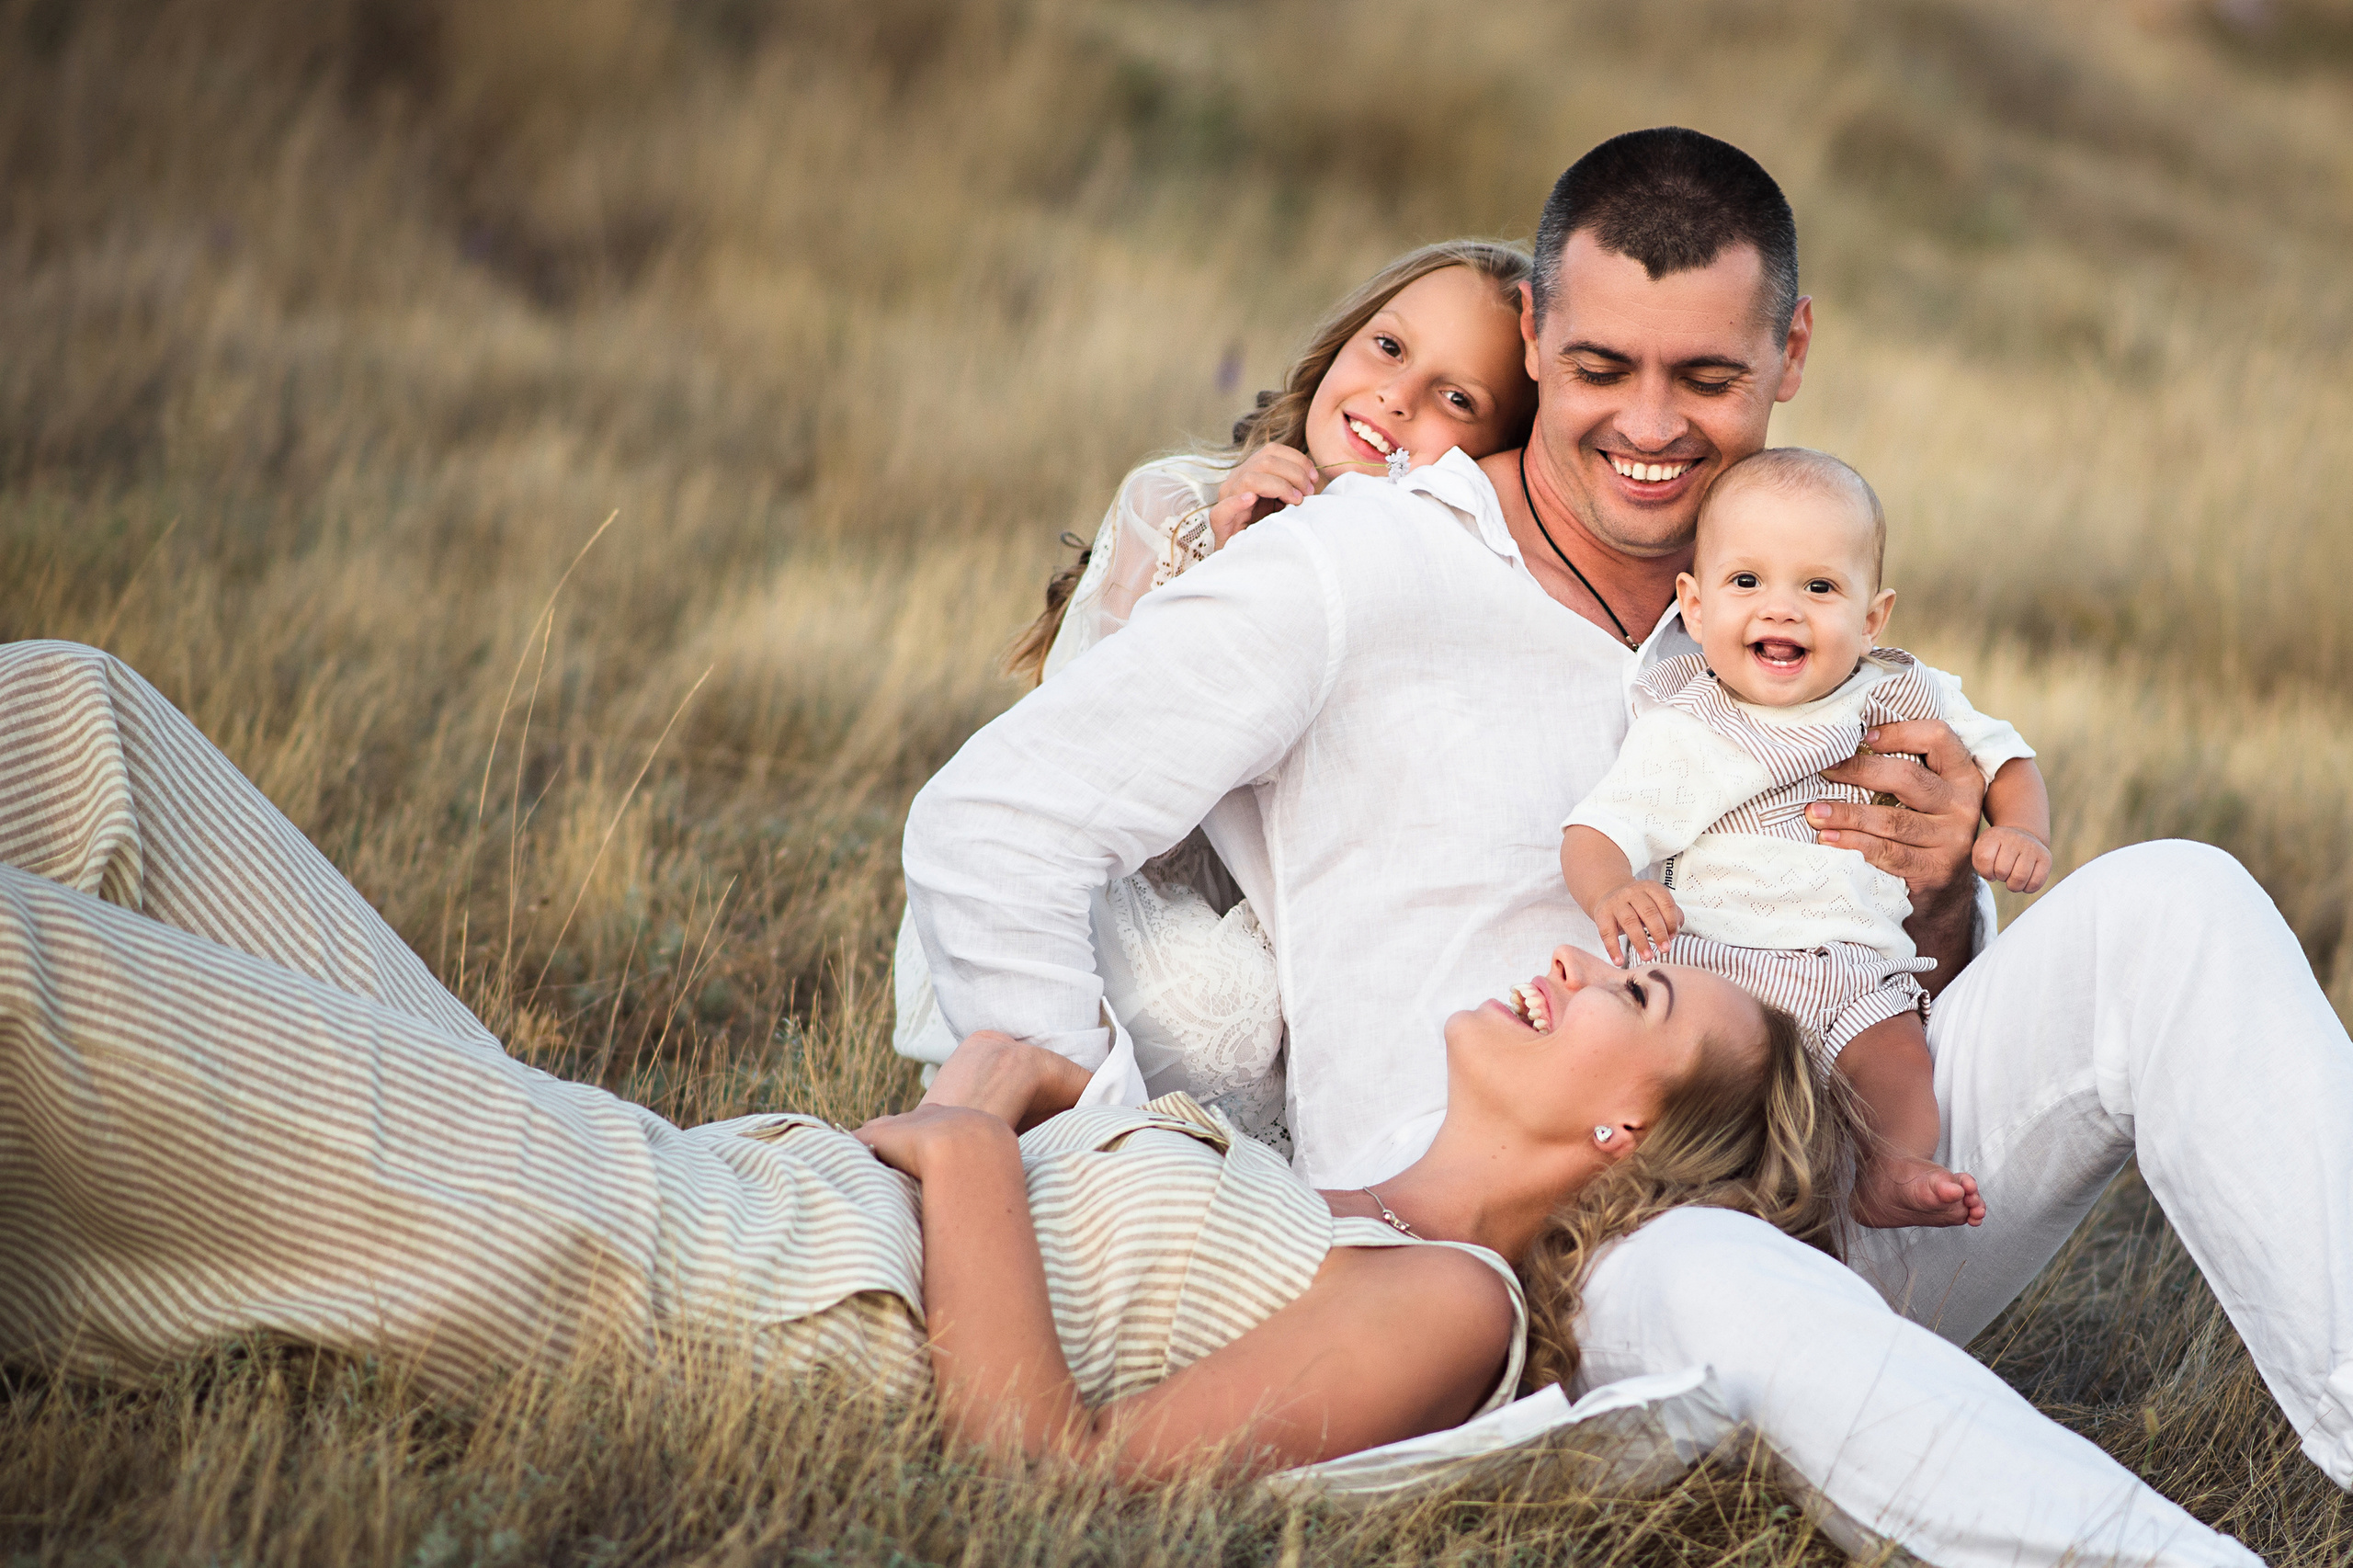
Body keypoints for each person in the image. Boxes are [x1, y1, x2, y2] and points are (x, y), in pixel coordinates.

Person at [901, 127, 2335, 1564]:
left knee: (2178, 899)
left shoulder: (1776, 595)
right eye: (1600, 368)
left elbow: (1891, 972)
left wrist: (1943, 892)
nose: (1650, 426)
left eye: (1706, 377)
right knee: (1709, 1265)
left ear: (1791, 350)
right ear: (1534, 332)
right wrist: (1096, 1155)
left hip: (1855, 1172)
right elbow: (1000, 816)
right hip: (1558, 1263)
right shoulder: (1355, 565)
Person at [0, 638, 1829, 1483]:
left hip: (694, 1295)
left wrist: (966, 1150)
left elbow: (1053, 1480)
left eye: (1636, 996)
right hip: (668, 1175)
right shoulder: (1336, 1187)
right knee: (79, 718)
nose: (1579, 959)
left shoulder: (1447, 1304)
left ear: (1626, 1130)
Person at [893, 240, 1539, 1150]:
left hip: (1283, 909)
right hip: (1120, 895)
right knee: (1217, 1000)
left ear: (1499, 458)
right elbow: (1078, 784)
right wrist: (1229, 573)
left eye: (1457, 398)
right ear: (1342, 341)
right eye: (1389, 348)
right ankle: (1063, 1132)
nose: (1399, 397)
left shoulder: (1450, 594)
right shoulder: (1177, 502)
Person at [1560, 446, 2052, 1230]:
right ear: (1694, 606)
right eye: (1746, 582)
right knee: (1692, 1093)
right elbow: (1598, 829)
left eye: (1819, 587)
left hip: (1853, 969)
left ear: (1872, 618)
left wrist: (2020, 828)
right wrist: (1612, 889)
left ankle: (1891, 1169)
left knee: (1899, 1066)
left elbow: (2007, 760)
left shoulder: (1900, 689)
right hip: (1721, 965)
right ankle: (1669, 1210)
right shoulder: (1690, 725)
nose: (1781, 610)